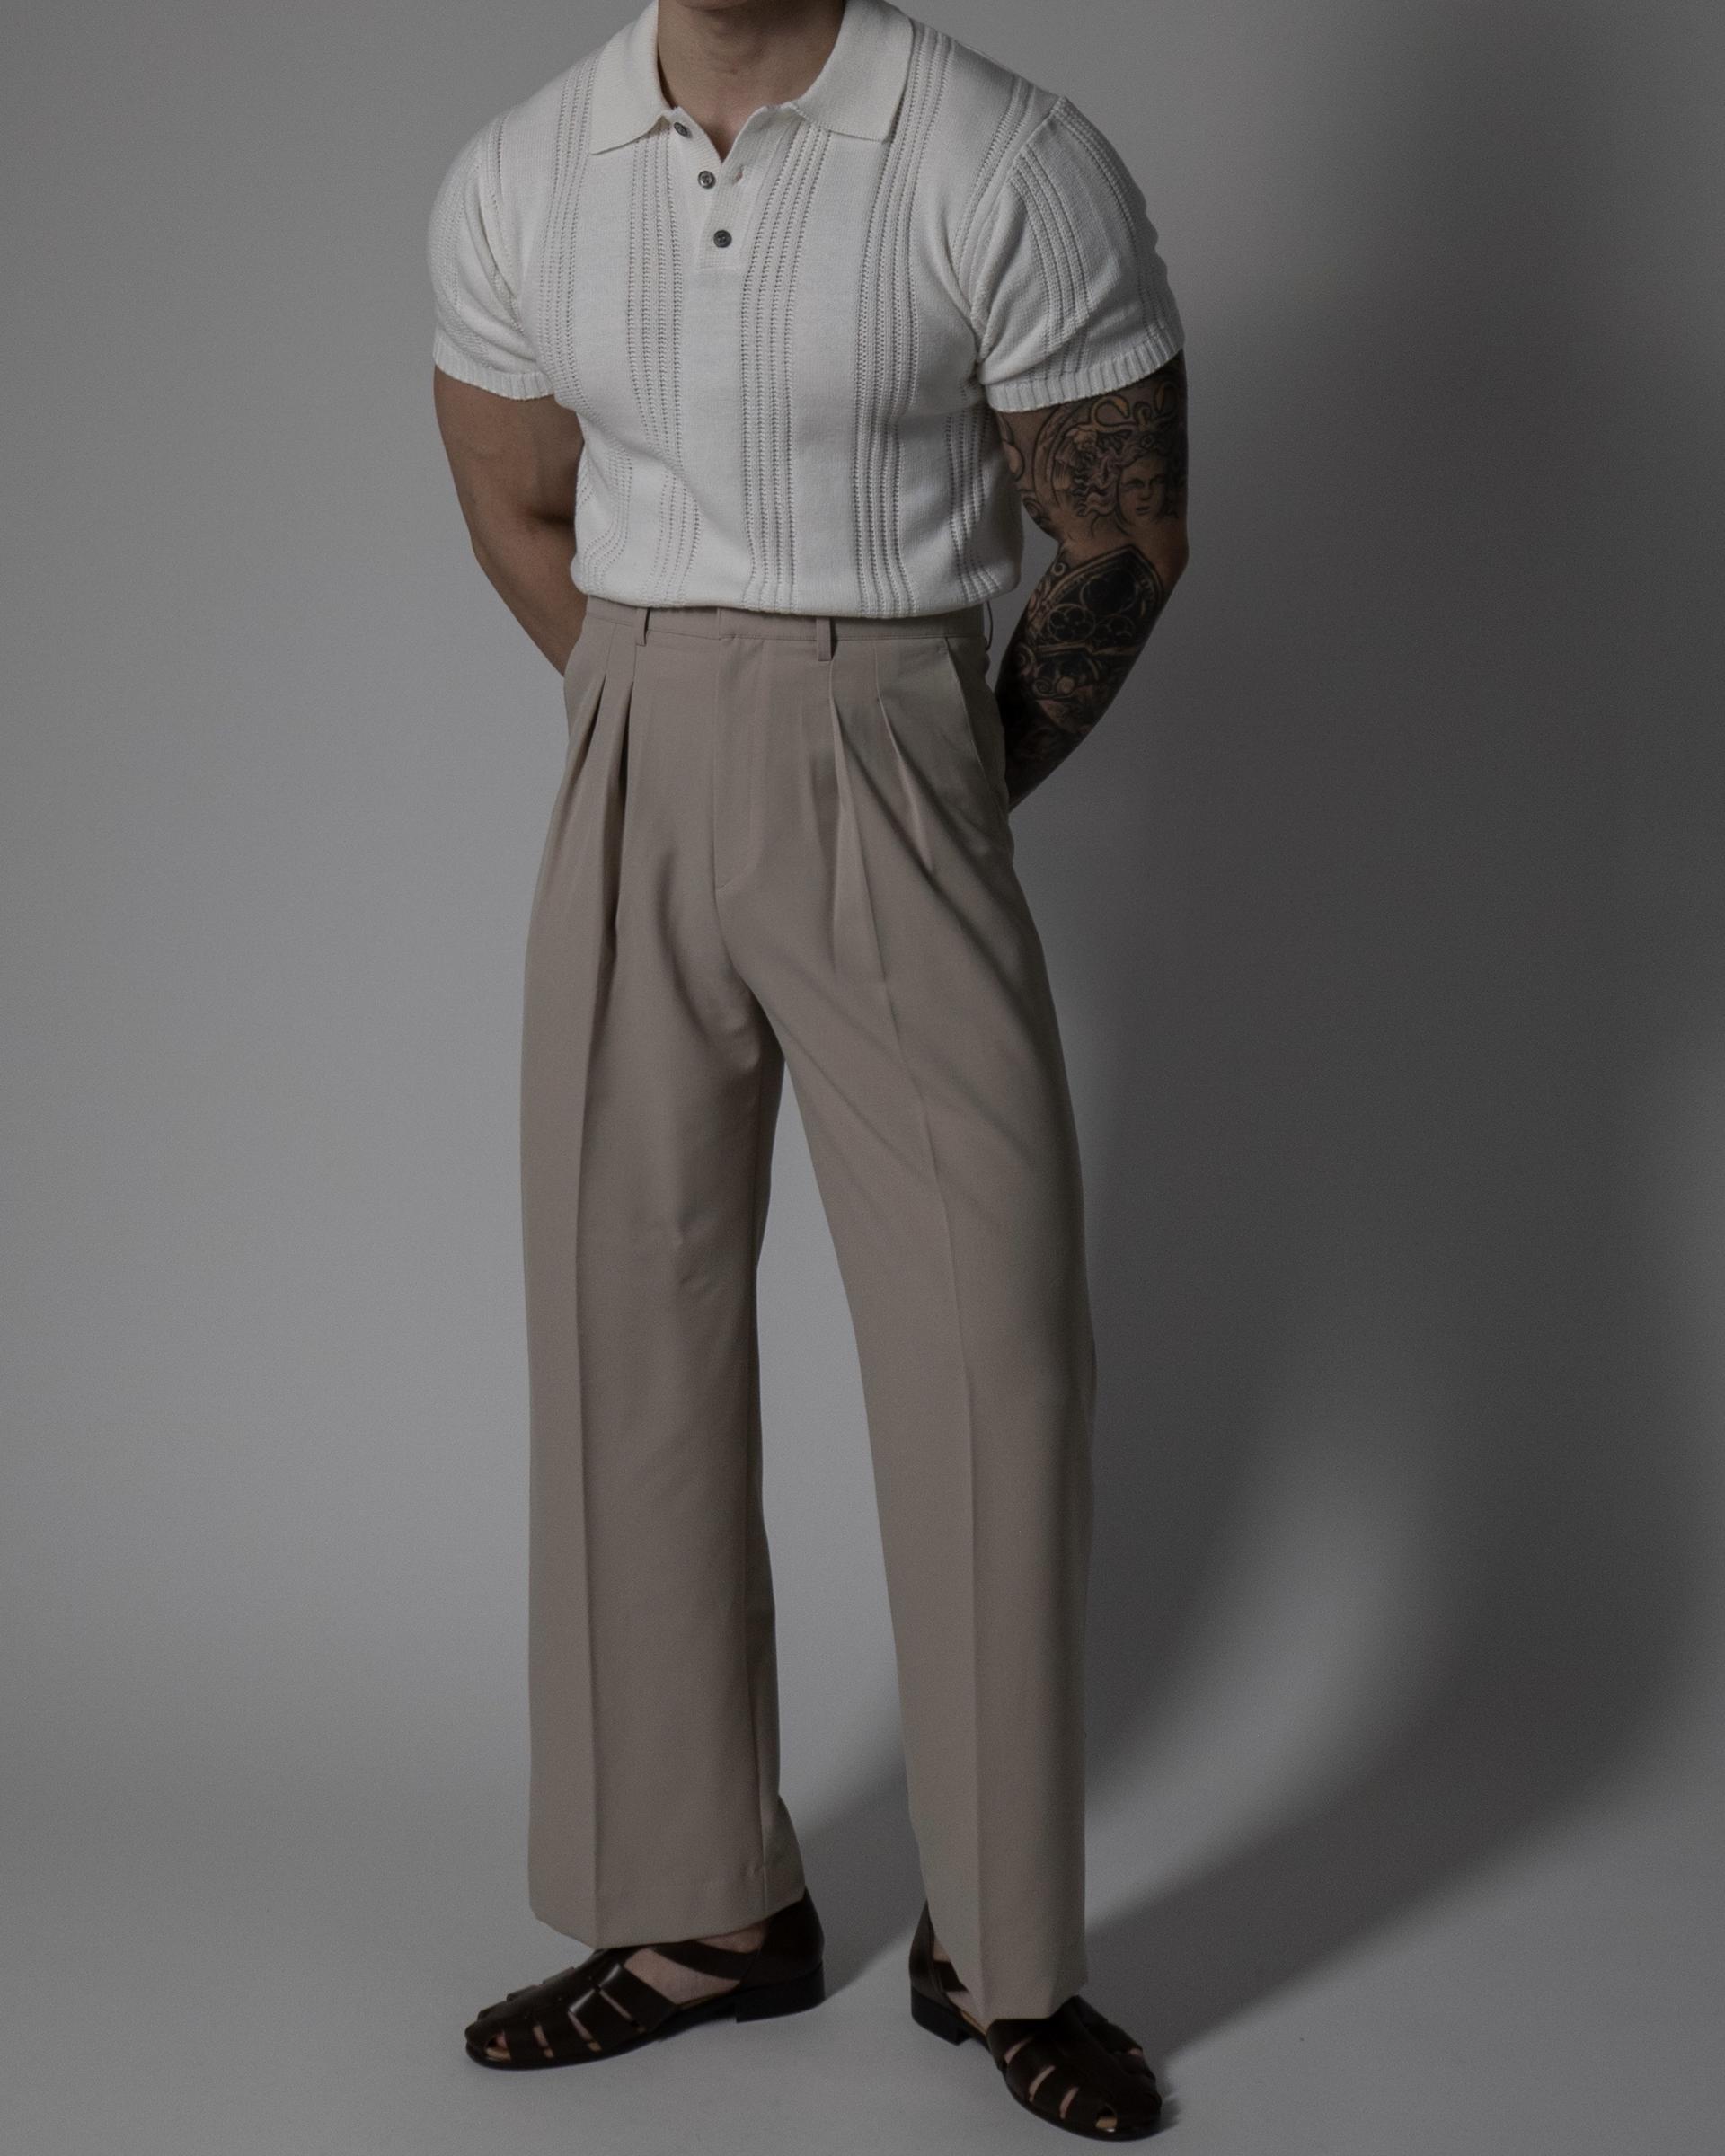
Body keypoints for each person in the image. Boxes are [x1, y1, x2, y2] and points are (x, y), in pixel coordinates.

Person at [426, 0, 1188, 2137]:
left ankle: (1001, 1949)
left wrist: (916, 774)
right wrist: (665, 718)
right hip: (635, 723)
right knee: (627, 1329)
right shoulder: (520, 172)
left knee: (989, 1352)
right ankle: (700, 1913)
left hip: (898, 723)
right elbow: (514, 497)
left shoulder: (1001, 157)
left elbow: (1124, 537)